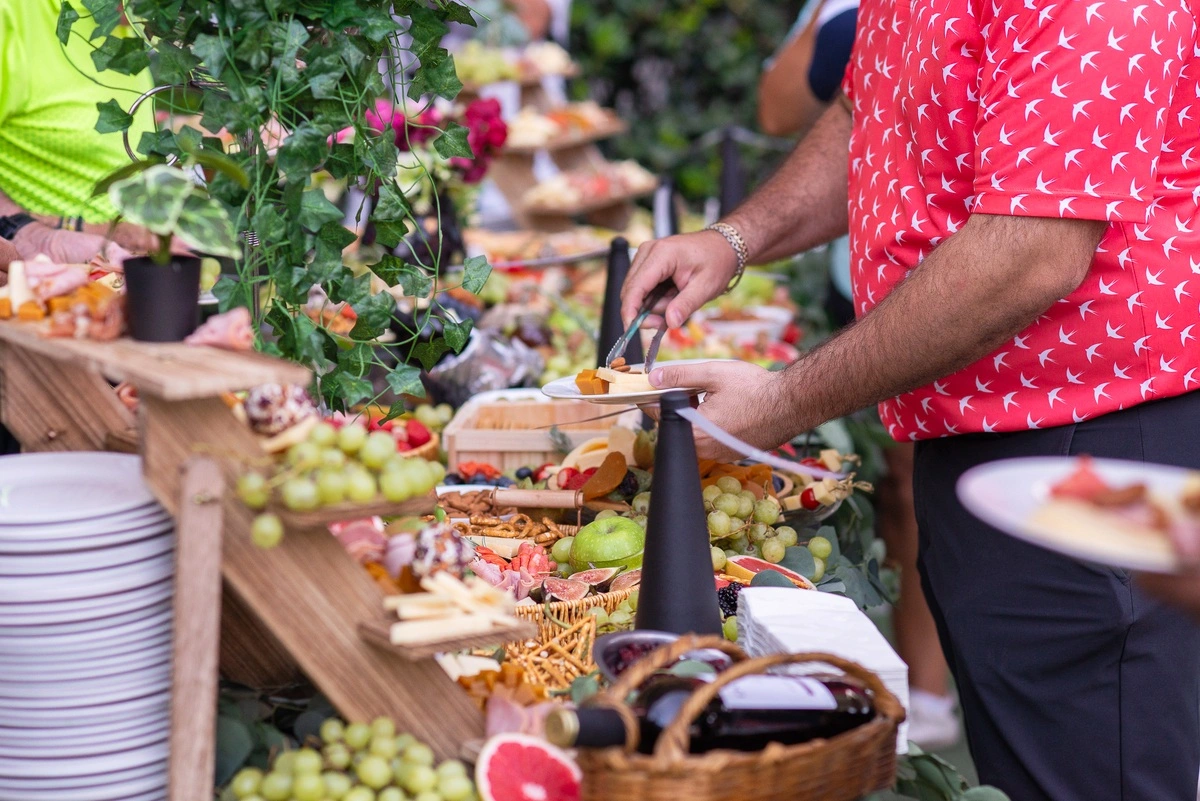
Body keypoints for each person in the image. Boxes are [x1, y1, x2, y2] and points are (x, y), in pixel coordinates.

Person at [624, 3, 1200, 799]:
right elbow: (870, 106)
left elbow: (1032, 251)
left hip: (1095, 438)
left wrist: (780, 401)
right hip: (981, 430)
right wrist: (734, 238)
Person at [758, 0, 959, 751]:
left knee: (928, 485)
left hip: (966, 287)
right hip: (866, 284)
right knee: (904, 488)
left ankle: (933, 686)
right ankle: (922, 678)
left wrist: (780, 400)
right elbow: (782, 108)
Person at [0, 0, 154, 265]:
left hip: (132, 275)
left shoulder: (129, 21)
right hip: (52, 277)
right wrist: (36, 236)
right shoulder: (11, 12)